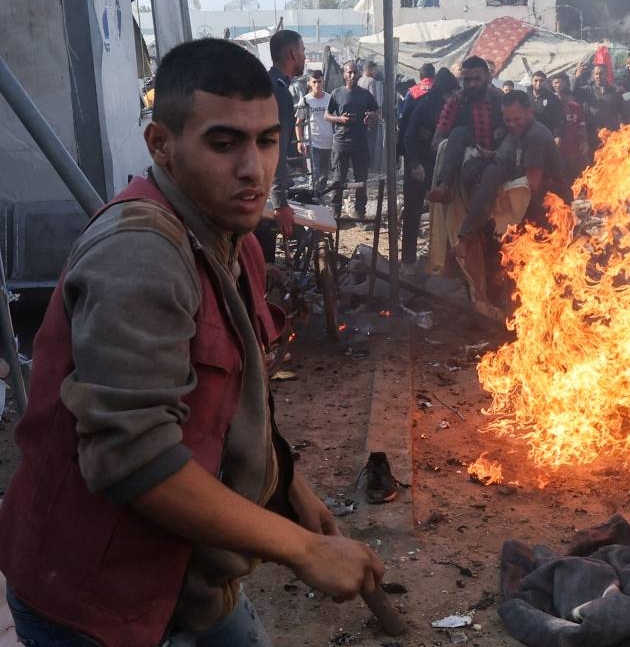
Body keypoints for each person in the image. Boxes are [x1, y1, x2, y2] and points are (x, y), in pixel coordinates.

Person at [0, 38, 384, 647]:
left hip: (193, 582)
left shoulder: (234, 240)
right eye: (223, 143)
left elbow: (231, 402)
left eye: (267, 140)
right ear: (161, 144)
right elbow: (132, 458)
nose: (253, 168)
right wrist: (301, 549)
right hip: (98, 600)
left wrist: (291, 489)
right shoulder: (141, 254)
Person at [456, 90, 566, 250]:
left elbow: (532, 184)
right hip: (529, 200)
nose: (512, 124)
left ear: (529, 112)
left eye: (517, 119)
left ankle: (469, 236)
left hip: (548, 206)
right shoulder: (516, 132)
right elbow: (504, 159)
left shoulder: (536, 136)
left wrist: (501, 193)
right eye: (508, 120)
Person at [402, 68, 460, 270]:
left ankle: (441, 260)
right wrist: (415, 164)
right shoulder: (424, 105)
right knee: (412, 213)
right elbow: (408, 136)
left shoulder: (453, 108)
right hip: (418, 165)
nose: (452, 97)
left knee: (444, 213)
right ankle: (408, 261)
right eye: (450, 93)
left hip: (439, 166)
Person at [429, 55, 505, 203]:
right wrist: (466, 151)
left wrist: (497, 153)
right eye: (467, 80)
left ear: (487, 77)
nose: (472, 84)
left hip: (498, 162)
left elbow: (516, 132)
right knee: (459, 132)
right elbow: (436, 141)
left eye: (477, 79)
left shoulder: (500, 100)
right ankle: (444, 186)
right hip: (465, 167)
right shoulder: (455, 102)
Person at [259, 29, 301, 258]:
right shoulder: (279, 93)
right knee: (263, 263)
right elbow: (273, 149)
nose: (304, 56)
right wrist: (279, 202)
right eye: (302, 50)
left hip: (255, 189)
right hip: (262, 195)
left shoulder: (266, 84)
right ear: (293, 53)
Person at [325, 61, 380, 218]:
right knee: (338, 179)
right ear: (344, 74)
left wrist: (372, 116)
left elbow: (377, 112)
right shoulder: (337, 93)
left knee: (361, 179)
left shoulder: (365, 94)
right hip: (341, 143)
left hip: (360, 142)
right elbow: (327, 115)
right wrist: (340, 119)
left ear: (359, 73)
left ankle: (360, 211)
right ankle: (335, 213)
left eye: (355, 72)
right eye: (349, 72)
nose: (353, 75)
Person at [296, 70, 334, 198]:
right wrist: (300, 141)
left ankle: (319, 198)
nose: (317, 84)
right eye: (314, 82)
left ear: (323, 82)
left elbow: (336, 120)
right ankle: (312, 198)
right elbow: (299, 122)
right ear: (309, 83)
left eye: (319, 81)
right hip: (312, 142)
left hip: (328, 142)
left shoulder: (330, 99)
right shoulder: (305, 100)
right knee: (314, 174)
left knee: (324, 175)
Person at [575, 64, 628, 153]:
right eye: (596, 74)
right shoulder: (587, 91)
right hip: (593, 136)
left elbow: (623, 112)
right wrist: (577, 77)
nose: (598, 76)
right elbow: (572, 92)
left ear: (607, 74)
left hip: (612, 135)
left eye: (601, 73)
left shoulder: (616, 91)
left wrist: (624, 127)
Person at [551, 72, 588, 182]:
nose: (557, 86)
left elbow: (582, 126)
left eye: (559, 83)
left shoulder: (576, 107)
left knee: (579, 179)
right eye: (555, 83)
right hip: (558, 153)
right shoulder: (551, 107)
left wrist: (584, 141)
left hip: (575, 151)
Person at [528, 71, 564, 141]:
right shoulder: (525, 97)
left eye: (541, 81)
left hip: (546, 136)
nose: (538, 83)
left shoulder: (552, 98)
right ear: (531, 82)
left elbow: (559, 118)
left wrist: (558, 136)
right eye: (536, 80)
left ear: (545, 82)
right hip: (528, 137)